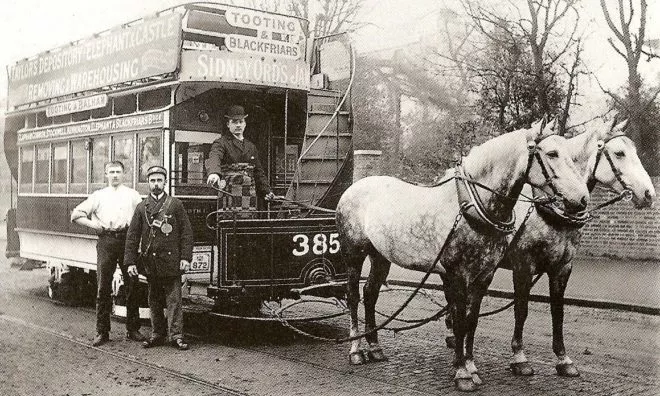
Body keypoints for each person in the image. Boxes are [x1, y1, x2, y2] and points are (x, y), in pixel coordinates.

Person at [70, 161, 145, 347]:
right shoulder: (99, 196)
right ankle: (102, 331)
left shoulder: (133, 195)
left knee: (132, 285)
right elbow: (76, 215)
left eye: (118, 172)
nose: (115, 175)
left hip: (128, 241)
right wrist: (94, 225)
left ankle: (133, 329)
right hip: (106, 241)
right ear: (106, 174)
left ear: (124, 174)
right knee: (103, 286)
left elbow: (144, 217)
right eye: (111, 172)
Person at [124, 165, 193, 351]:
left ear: (165, 182)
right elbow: (133, 236)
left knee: (174, 300)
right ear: (148, 183)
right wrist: (130, 261)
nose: (156, 184)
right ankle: (157, 334)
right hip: (151, 262)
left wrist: (185, 257)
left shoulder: (175, 204)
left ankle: (176, 335)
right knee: (153, 299)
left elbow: (186, 233)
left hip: (171, 261)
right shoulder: (141, 207)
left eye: (159, 180)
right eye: (152, 181)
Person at [206, 105, 275, 202]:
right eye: (234, 122)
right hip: (229, 192)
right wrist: (214, 173)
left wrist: (267, 191)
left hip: (249, 193)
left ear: (245, 124)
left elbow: (258, 172)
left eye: (241, 122)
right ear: (228, 124)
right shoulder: (221, 143)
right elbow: (215, 155)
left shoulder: (251, 147)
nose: (238, 125)